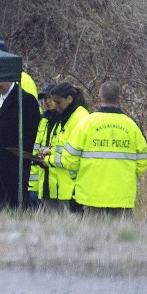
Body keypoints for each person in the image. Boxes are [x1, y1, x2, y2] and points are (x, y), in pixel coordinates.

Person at [61, 81, 147, 217]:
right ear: (119, 99)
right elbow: (143, 162)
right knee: (123, 236)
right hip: (122, 195)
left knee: (94, 237)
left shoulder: (86, 124)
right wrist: (128, 176)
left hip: (91, 194)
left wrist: (77, 176)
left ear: (99, 98)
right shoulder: (131, 126)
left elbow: (69, 158)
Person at [0, 81, 40, 210]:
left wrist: (19, 157)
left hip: (13, 165)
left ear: (10, 79)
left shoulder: (25, 100)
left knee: (12, 206)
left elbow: (31, 134)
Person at [40, 82, 89, 213]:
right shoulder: (68, 116)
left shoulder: (79, 118)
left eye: (58, 102)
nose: (55, 106)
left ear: (69, 99)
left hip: (74, 184)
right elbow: (64, 145)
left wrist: (48, 160)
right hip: (65, 183)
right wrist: (50, 151)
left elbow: (72, 156)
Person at [31, 83, 60, 210]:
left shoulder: (65, 120)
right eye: (45, 99)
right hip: (42, 180)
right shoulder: (43, 120)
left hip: (59, 180)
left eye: (50, 98)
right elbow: (36, 150)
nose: (47, 102)